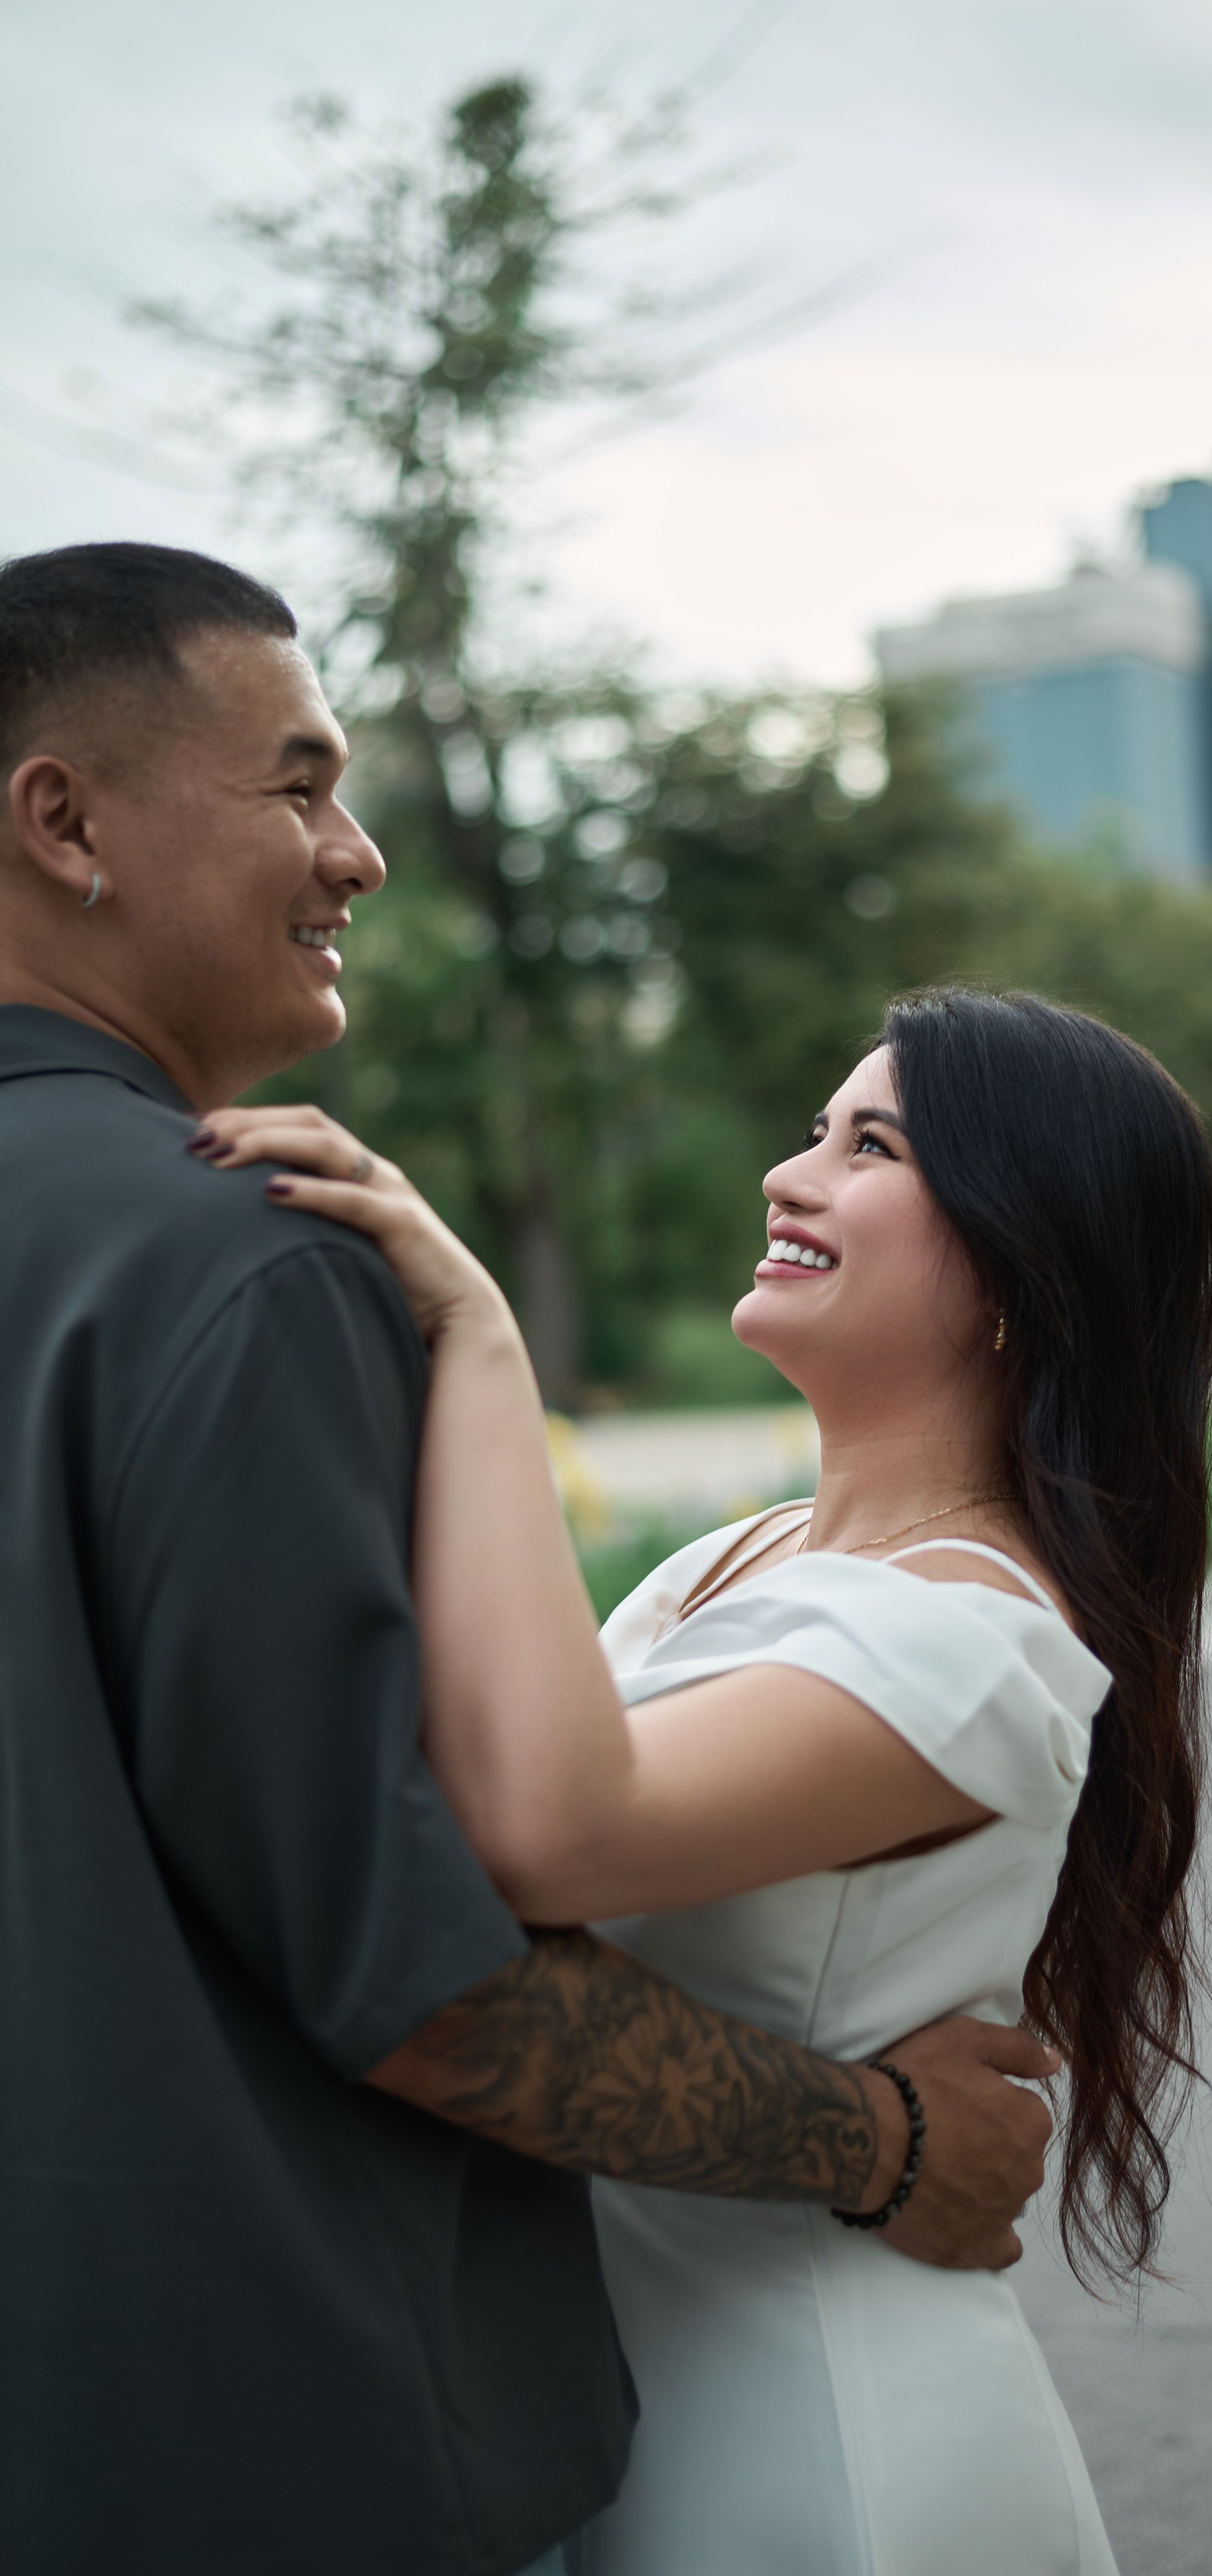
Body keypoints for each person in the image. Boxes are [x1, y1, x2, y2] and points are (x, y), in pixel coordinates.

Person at [0, 543, 1055, 2576]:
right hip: (243, 2447)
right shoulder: (227, 1269)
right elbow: (422, 1982)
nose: (358, 853)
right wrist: (893, 2137)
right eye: (298, 784)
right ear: (65, 823)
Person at [200, 979, 1212, 2573]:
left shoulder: (973, 1639)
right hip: (622, 2391)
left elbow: (549, 1829)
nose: (787, 1173)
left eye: (871, 1145)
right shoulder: (726, 1562)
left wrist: (478, 1337)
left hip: (813, 2429)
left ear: (1018, 1271)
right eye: (809, 1129)